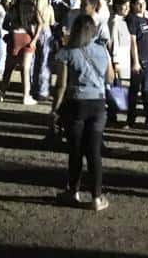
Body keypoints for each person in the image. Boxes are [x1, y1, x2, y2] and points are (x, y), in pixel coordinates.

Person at [52, 13, 113, 211]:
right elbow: (110, 78)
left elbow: (61, 85)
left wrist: (55, 109)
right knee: (94, 151)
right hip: (97, 102)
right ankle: (96, 197)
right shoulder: (102, 49)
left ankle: (73, 191)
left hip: (75, 103)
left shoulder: (66, 53)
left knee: (75, 150)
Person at [126, 0, 148, 126]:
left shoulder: (145, 19)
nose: (142, 6)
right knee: (134, 90)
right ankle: (131, 119)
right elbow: (132, 41)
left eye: (144, 3)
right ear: (133, 5)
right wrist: (135, 61)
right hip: (139, 59)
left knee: (146, 90)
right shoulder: (132, 19)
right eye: (139, 4)